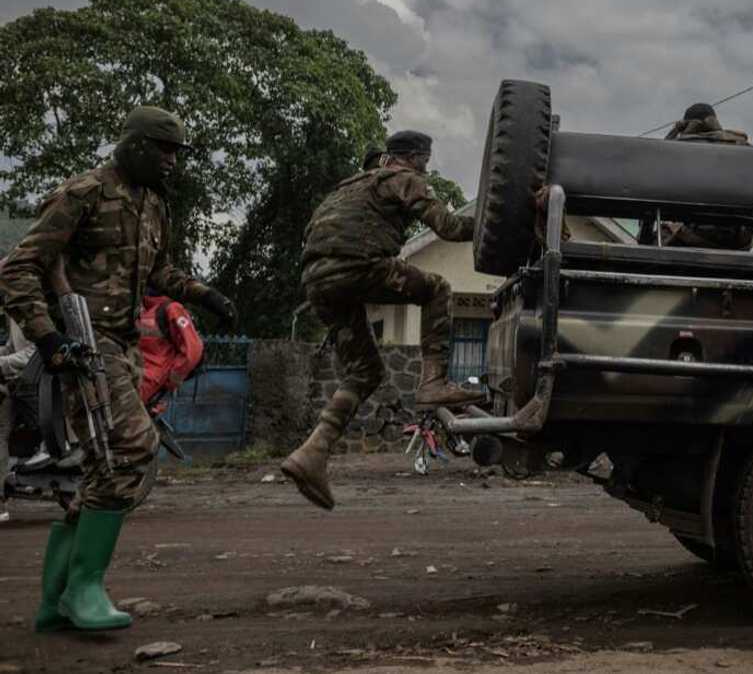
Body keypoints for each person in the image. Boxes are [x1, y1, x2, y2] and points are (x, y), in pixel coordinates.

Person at [0, 106, 237, 632]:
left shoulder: (153, 203)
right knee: (131, 447)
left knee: (107, 465)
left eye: (177, 152)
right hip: (85, 342)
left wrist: (205, 294)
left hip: (126, 343)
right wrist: (48, 335)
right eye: (163, 150)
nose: (172, 162)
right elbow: (18, 267)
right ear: (133, 146)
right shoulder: (84, 193)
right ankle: (83, 589)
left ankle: (57, 599)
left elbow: (158, 271)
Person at [281, 130, 482, 511]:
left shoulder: (347, 187)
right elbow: (451, 228)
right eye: (425, 162)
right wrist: (497, 223)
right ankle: (433, 382)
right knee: (437, 289)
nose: (424, 169)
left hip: (316, 280)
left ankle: (312, 453)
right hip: (359, 267)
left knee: (364, 372)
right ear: (416, 158)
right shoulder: (403, 177)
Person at [638, 103, 753, 249]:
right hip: (736, 239)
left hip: (692, 236)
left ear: (687, 125)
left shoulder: (678, 149)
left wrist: (675, 132)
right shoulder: (743, 148)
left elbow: (655, 174)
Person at [0, 311, 36, 522]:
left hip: (33, 386)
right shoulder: (15, 310)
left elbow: (35, 352)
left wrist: (2, 363)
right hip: (21, 379)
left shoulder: (31, 308)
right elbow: (14, 347)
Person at [138, 293, 204, 405]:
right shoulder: (139, 309)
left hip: (150, 384)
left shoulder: (172, 309)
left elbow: (193, 350)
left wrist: (172, 380)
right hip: (135, 379)